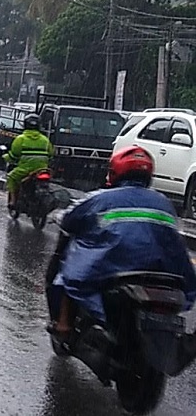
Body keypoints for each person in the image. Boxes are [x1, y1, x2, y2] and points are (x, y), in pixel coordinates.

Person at [46, 145, 196, 342]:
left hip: (112, 270)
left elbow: (70, 219)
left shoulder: (100, 198)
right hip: (162, 272)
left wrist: (59, 215)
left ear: (115, 172)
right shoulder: (164, 202)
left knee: (68, 273)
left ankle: (64, 325)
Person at [3, 113, 53, 209]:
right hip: (42, 169)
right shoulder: (45, 140)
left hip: (25, 170)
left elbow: (14, 156)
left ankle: (13, 201)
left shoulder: (20, 139)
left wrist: (6, 157)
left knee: (11, 177)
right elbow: (50, 154)